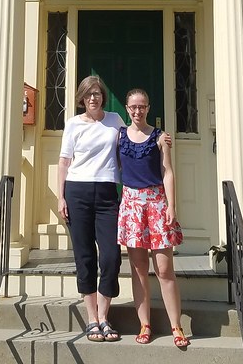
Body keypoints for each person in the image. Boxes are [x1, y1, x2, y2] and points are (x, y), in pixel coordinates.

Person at [116, 88, 188, 349]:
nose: (138, 111)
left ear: (148, 108)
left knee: (164, 269)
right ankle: (144, 324)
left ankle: (176, 326)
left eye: (142, 106)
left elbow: (168, 172)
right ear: (126, 107)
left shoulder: (159, 138)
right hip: (132, 204)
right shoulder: (119, 136)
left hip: (157, 204)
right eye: (133, 106)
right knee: (138, 269)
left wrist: (172, 206)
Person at [58, 75, 125, 342]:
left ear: (102, 96)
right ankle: (93, 319)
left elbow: (129, 150)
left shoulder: (115, 121)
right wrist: (60, 198)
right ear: (82, 98)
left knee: (111, 257)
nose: (93, 98)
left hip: (108, 193)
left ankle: (105, 316)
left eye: (96, 93)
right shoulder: (73, 124)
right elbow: (64, 162)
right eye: (88, 94)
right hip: (78, 193)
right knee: (85, 257)